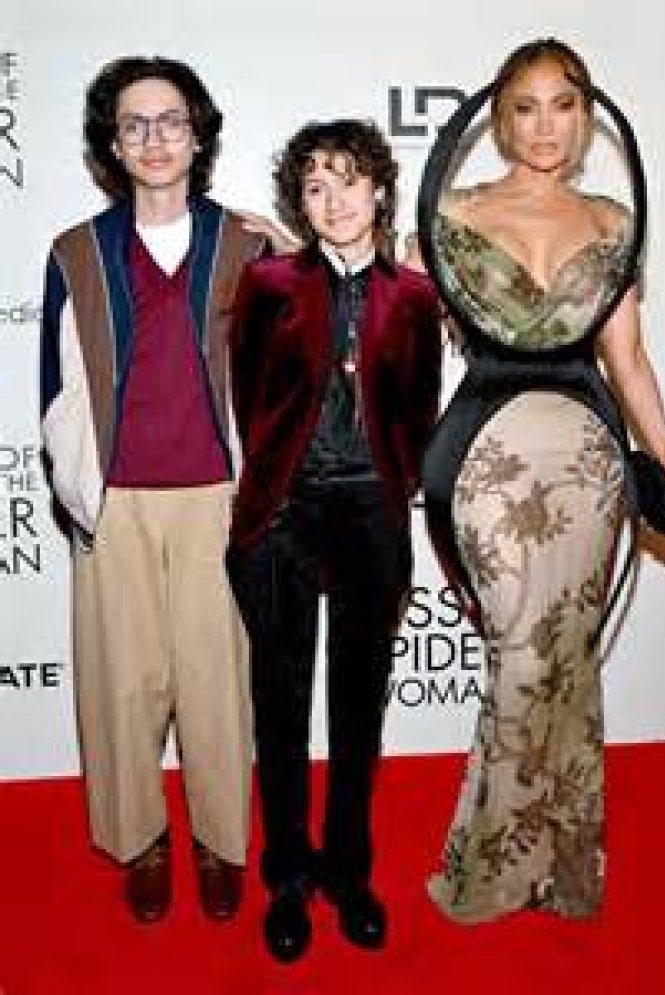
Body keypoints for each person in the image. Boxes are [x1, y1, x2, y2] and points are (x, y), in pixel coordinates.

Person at [412, 39, 665, 923]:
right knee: (524, 653)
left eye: (563, 106)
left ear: (586, 117)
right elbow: (386, 328)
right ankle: (493, 865)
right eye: (524, 107)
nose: (545, 126)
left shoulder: (612, 221)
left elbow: (627, 358)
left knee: (567, 656)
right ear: (499, 119)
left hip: (590, 461)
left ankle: (560, 866)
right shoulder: (452, 212)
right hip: (485, 457)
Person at [40, 55, 291, 924]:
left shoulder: (247, 246)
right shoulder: (75, 252)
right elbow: (54, 385)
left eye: (171, 121)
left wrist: (296, 257)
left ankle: (220, 840)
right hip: (116, 498)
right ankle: (140, 837)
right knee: (123, 683)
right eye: (134, 125)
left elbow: (303, 368)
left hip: (219, 497)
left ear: (198, 135)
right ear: (113, 144)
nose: (154, 139)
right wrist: (81, 489)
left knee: (218, 680)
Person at [225, 119, 442, 961]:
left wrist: (388, 486)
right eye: (315, 186)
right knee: (279, 707)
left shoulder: (415, 295)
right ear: (300, 203)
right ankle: (287, 878)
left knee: (359, 708)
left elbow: (419, 405)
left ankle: (350, 874)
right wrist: (277, 487)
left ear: (380, 190)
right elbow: (250, 396)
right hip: (283, 514)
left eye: (349, 181)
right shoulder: (269, 283)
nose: (334, 200)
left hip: (371, 517)